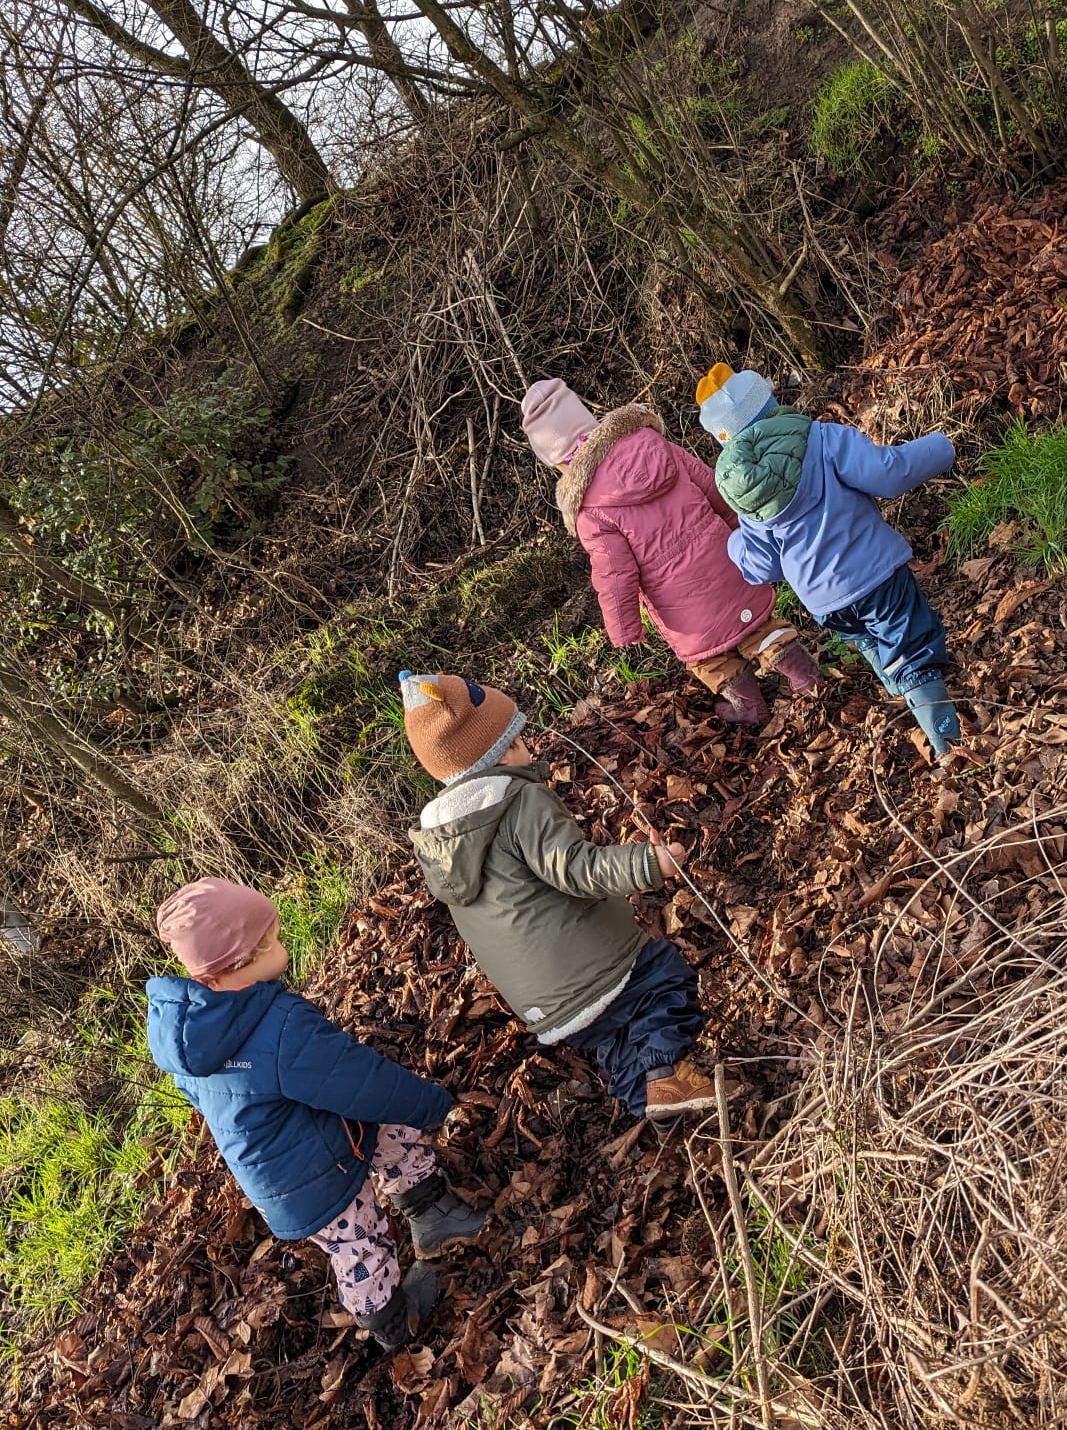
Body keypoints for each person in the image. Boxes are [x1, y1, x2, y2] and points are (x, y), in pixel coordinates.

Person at [145, 878, 480, 1351]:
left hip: (294, 1153)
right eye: (272, 942)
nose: (280, 947)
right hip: (309, 1181)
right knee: (360, 1245)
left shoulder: (185, 1036)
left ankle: (433, 1214)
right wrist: (432, 1106)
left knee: (386, 1129)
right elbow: (360, 1080)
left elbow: (213, 1100)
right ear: (234, 967)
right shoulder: (279, 1026)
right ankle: (390, 1322)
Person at [399, 669, 716, 1122]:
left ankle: (652, 1103)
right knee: (664, 980)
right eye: (519, 736)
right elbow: (575, 868)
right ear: (505, 749)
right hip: (593, 966)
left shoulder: (441, 843)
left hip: (543, 1002)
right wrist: (650, 864)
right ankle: (660, 1072)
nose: (527, 745)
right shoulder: (518, 801)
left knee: (611, 1038)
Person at [697, 364, 964, 761]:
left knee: (869, 639)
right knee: (912, 653)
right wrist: (942, 446)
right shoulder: (821, 438)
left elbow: (762, 567)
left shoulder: (746, 495)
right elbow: (888, 474)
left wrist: (735, 542)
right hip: (875, 575)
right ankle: (952, 747)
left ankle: (905, 692)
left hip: (826, 603)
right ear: (769, 404)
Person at [521, 376, 821, 727]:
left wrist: (624, 628)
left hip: (681, 606)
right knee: (758, 624)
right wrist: (747, 535)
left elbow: (614, 574)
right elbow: (712, 486)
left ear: (558, 462)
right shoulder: (651, 443)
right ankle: (806, 678)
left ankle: (750, 707)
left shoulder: (590, 510)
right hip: (727, 562)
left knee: (708, 658)